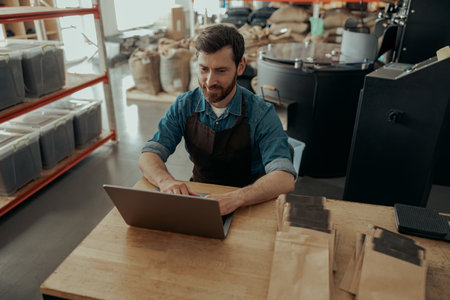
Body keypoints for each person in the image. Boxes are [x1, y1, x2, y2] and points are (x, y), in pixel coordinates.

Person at [139, 24, 296, 215]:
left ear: (241, 67)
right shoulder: (184, 105)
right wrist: (166, 182)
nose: (210, 81)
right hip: (201, 197)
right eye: (204, 69)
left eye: (221, 71)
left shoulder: (261, 113)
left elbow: (284, 178)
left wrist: (237, 198)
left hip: (249, 201)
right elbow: (149, 155)